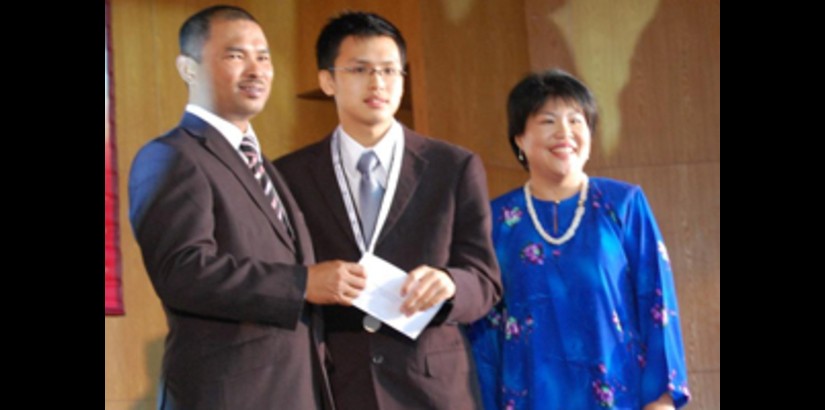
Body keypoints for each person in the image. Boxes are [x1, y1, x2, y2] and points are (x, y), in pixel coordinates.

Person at [129, 5, 366, 409]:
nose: (256, 70)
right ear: (188, 69)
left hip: (295, 390)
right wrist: (302, 283)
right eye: (236, 55)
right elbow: (182, 271)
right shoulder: (171, 156)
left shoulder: (265, 166)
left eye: (264, 56)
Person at [274, 11, 502, 410]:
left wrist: (450, 285)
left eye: (390, 71)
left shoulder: (453, 166)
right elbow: (282, 275)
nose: (378, 83)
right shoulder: (290, 175)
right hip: (336, 383)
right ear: (328, 80)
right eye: (360, 69)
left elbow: (485, 281)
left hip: (432, 387)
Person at [467, 69, 691, 410]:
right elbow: (484, 330)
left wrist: (662, 399)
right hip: (531, 396)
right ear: (519, 139)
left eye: (576, 120)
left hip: (620, 397)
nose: (565, 132)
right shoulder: (497, 219)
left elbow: (657, 302)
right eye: (547, 121)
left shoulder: (623, 204)